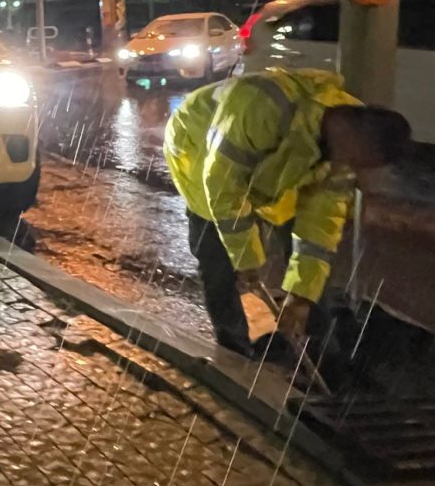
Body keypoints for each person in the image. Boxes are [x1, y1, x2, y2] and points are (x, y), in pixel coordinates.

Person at [164, 67, 410, 361]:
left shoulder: (343, 150)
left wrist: (301, 296)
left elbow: (318, 233)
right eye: (356, 160)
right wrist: (246, 261)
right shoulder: (262, 106)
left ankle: (318, 347)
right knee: (218, 256)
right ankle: (235, 349)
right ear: (350, 133)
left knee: (303, 261)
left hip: (274, 168)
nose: (352, 168)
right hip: (198, 149)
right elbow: (222, 186)